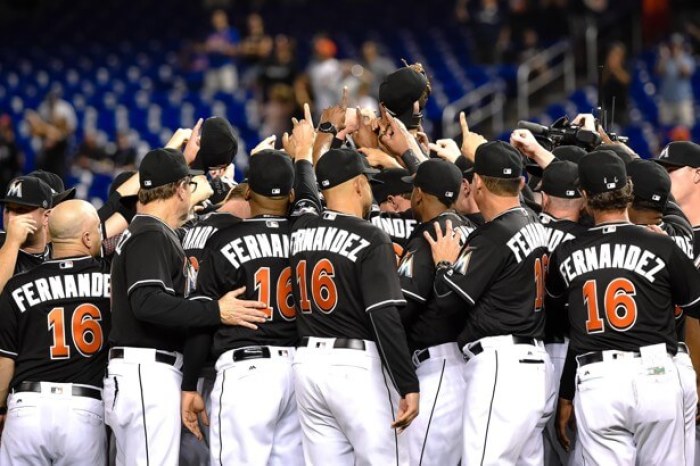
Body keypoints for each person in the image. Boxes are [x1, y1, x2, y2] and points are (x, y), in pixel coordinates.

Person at [104, 148, 268, 465]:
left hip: (137, 370)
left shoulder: (145, 231)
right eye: (189, 186)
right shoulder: (150, 234)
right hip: (146, 372)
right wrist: (216, 311)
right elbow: (147, 303)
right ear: (181, 188)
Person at [547, 150, 700, 465]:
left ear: (585, 197)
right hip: (657, 372)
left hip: (599, 378)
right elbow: (696, 307)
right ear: (627, 189)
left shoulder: (566, 254)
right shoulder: (662, 244)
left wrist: (565, 393)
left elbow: (571, 324)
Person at [181, 144, 317, 464]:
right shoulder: (308, 235)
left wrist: (189, 385)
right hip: (298, 371)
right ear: (292, 194)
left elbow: (204, 319)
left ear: (249, 192)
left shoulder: (223, 240)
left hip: (247, 370)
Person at [424, 141, 555, 465]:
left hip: (502, 366)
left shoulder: (493, 235)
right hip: (536, 365)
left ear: (478, 183)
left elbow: (448, 300)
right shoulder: (533, 220)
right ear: (521, 183)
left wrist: (443, 264)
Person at [289, 147, 419, 465]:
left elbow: (305, 197)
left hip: (306, 366)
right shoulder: (370, 236)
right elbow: (383, 315)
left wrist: (304, 156)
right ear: (360, 184)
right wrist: (406, 383)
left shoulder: (301, 229)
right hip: (353, 367)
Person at [0, 200, 109, 465]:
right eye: (96, 230)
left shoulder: (17, 286)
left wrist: (1, 407)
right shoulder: (111, 283)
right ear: (86, 237)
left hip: (27, 408)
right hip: (84, 410)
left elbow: (5, 359)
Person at [396, 159, 473, 465]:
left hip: (439, 368)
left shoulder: (431, 235)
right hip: (468, 362)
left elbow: (402, 308)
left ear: (420, 194)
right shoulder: (472, 230)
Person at [536, 160, 587, 466]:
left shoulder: (524, 228)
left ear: (544, 198)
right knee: (571, 447)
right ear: (583, 199)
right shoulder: (590, 237)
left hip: (525, 350)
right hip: (572, 352)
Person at [0, 176, 53, 294]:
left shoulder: (58, 252)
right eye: (8, 209)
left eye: (21, 210)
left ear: (46, 216)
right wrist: (12, 242)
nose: (11, 218)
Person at [654, 141, 700, 264]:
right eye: (661, 171)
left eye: (670, 170)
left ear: (697, 174)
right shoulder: (655, 229)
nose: (662, 177)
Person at [25, 90, 77, 181]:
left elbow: (69, 130)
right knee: (43, 175)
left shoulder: (65, 108)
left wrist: (54, 136)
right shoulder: (43, 107)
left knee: (58, 175)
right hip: (45, 146)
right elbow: (36, 130)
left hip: (60, 146)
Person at [657, 34, 695, 127]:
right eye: (672, 45)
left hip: (683, 101)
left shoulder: (686, 59)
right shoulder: (666, 60)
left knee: (686, 129)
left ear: (681, 46)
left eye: (677, 45)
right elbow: (659, 71)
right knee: (665, 129)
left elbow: (685, 72)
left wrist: (678, 58)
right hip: (667, 101)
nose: (674, 48)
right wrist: (664, 58)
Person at [203, 9, 240, 94]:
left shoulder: (232, 32)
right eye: (215, 19)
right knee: (211, 95)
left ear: (224, 19)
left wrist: (221, 48)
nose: (216, 21)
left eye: (219, 18)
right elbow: (205, 48)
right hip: (212, 67)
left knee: (229, 93)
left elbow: (235, 50)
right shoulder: (211, 34)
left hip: (226, 68)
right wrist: (209, 48)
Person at [601, 42, 631, 127]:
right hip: (608, 107)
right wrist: (609, 67)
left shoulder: (626, 66)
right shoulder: (606, 69)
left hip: (621, 108)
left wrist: (616, 68)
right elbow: (602, 81)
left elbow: (626, 80)